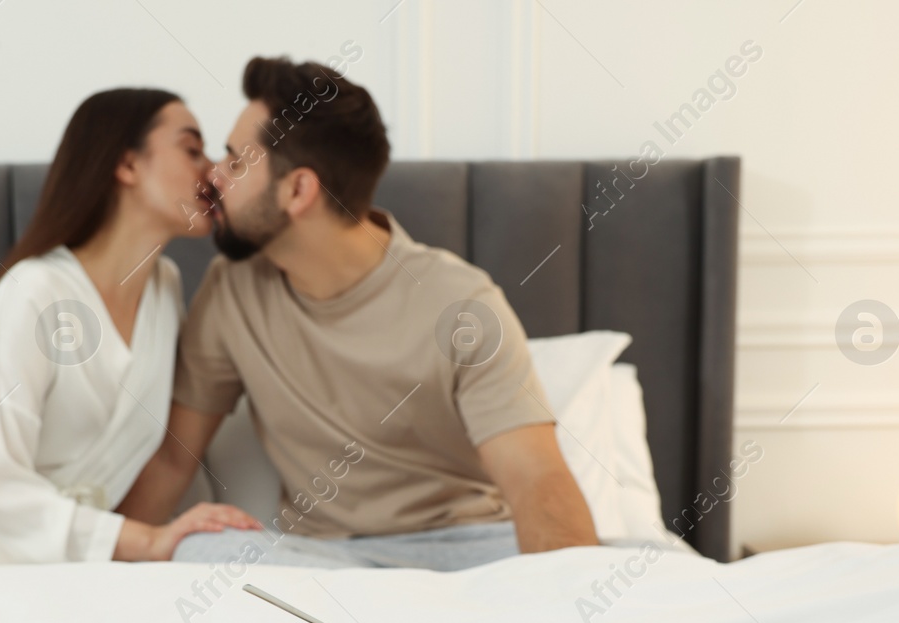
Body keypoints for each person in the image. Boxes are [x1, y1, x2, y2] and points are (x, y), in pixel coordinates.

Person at [117, 57, 597, 571]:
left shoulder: (462, 305)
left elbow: (535, 478)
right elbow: (173, 459)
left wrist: (566, 603)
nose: (212, 175)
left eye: (235, 162)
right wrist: (102, 572)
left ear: (298, 190)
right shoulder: (230, 292)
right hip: (323, 561)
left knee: (651, 572)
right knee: (201, 554)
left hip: (465, 551)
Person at [0, 89, 260, 565]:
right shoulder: (36, 291)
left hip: (62, 562)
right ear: (127, 165)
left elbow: (162, 457)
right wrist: (142, 541)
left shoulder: (164, 289)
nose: (211, 169)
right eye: (191, 149)